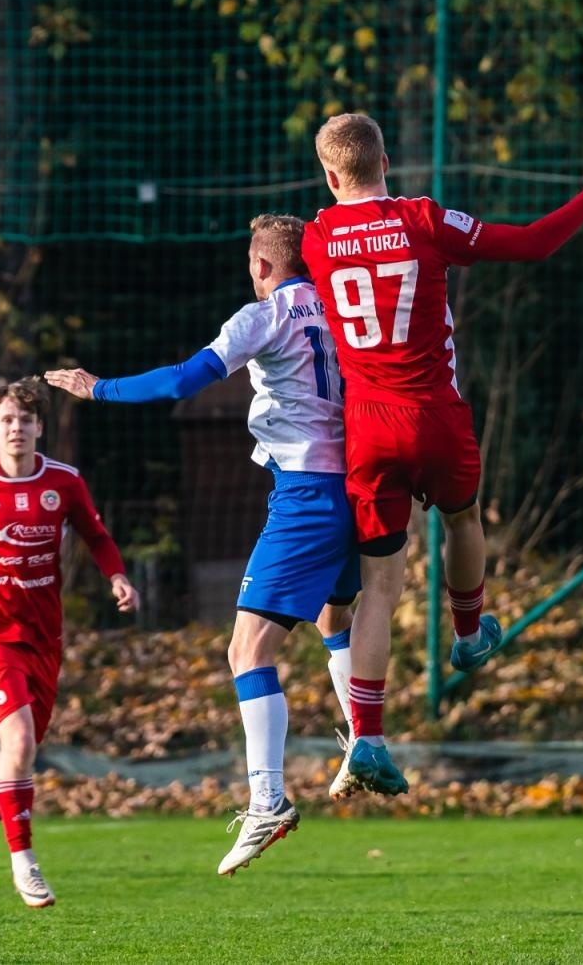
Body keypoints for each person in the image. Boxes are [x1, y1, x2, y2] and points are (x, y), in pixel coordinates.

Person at [299, 112, 583, 793]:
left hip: (368, 429)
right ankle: (467, 631)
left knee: (378, 590)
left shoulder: (316, 238)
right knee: (461, 518)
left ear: (331, 175)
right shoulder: (424, 219)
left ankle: (367, 737)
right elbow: (532, 242)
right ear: (387, 161)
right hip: (433, 415)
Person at [44, 213, 361, 876]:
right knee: (336, 618)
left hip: (306, 493)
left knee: (245, 648)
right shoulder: (341, 310)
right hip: (356, 487)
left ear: (262, 266)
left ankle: (268, 798)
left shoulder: (264, 314)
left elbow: (186, 378)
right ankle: (366, 736)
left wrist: (97, 386)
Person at [0, 377, 140, 909]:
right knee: (20, 743)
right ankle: (24, 863)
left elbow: (96, 535)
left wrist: (115, 576)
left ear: (39, 427)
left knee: (17, 752)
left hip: (44, 637)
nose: (16, 428)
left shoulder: (65, 483)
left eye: (25, 420)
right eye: (6, 420)